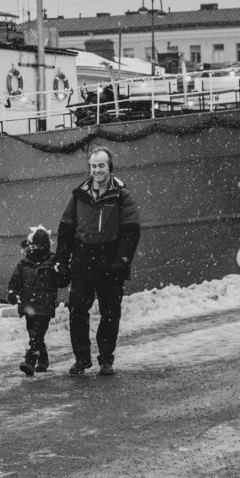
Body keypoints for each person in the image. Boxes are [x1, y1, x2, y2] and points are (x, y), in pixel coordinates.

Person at [54, 146, 140, 377]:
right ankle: (82, 359)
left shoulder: (121, 196)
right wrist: (61, 260)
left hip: (110, 263)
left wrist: (122, 259)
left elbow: (131, 231)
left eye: (101, 165)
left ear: (109, 167)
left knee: (110, 313)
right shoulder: (78, 195)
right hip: (83, 261)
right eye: (93, 166)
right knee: (77, 311)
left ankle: (106, 359)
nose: (97, 170)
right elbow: (66, 229)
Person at [7, 225, 61, 376]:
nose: (35, 249)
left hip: (44, 306)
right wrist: (12, 293)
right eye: (33, 245)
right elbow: (15, 281)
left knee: (37, 335)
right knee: (34, 334)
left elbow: (61, 280)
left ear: (46, 246)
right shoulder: (24, 263)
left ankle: (30, 361)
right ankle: (43, 360)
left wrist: (61, 271)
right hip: (28, 305)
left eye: (39, 246)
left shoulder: (52, 263)